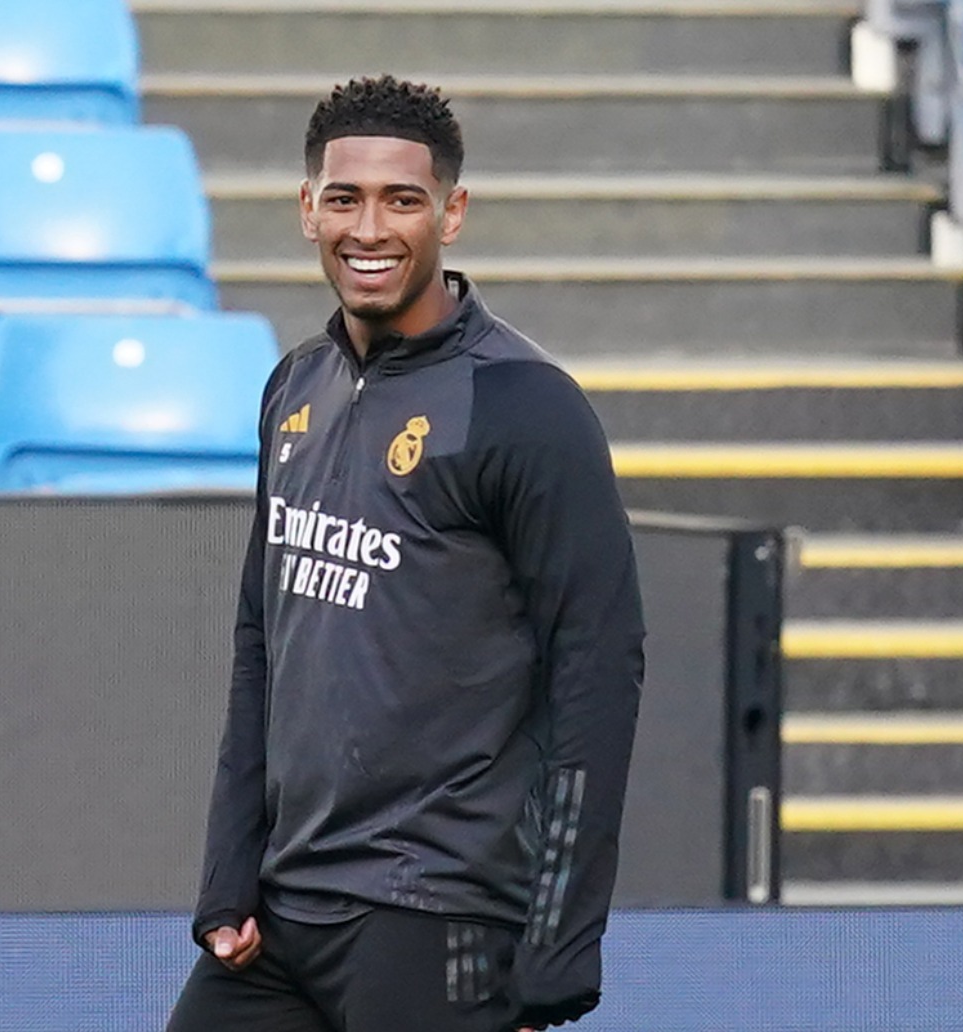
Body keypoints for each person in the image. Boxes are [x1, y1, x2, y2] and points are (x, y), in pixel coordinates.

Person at [167, 75, 645, 1032]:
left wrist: (560, 936)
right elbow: (262, 640)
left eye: (402, 200)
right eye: (345, 198)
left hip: (439, 912)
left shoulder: (525, 405)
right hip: (284, 916)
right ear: (308, 209)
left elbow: (598, 666)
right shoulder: (294, 384)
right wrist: (229, 875)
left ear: (451, 214)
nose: (370, 229)